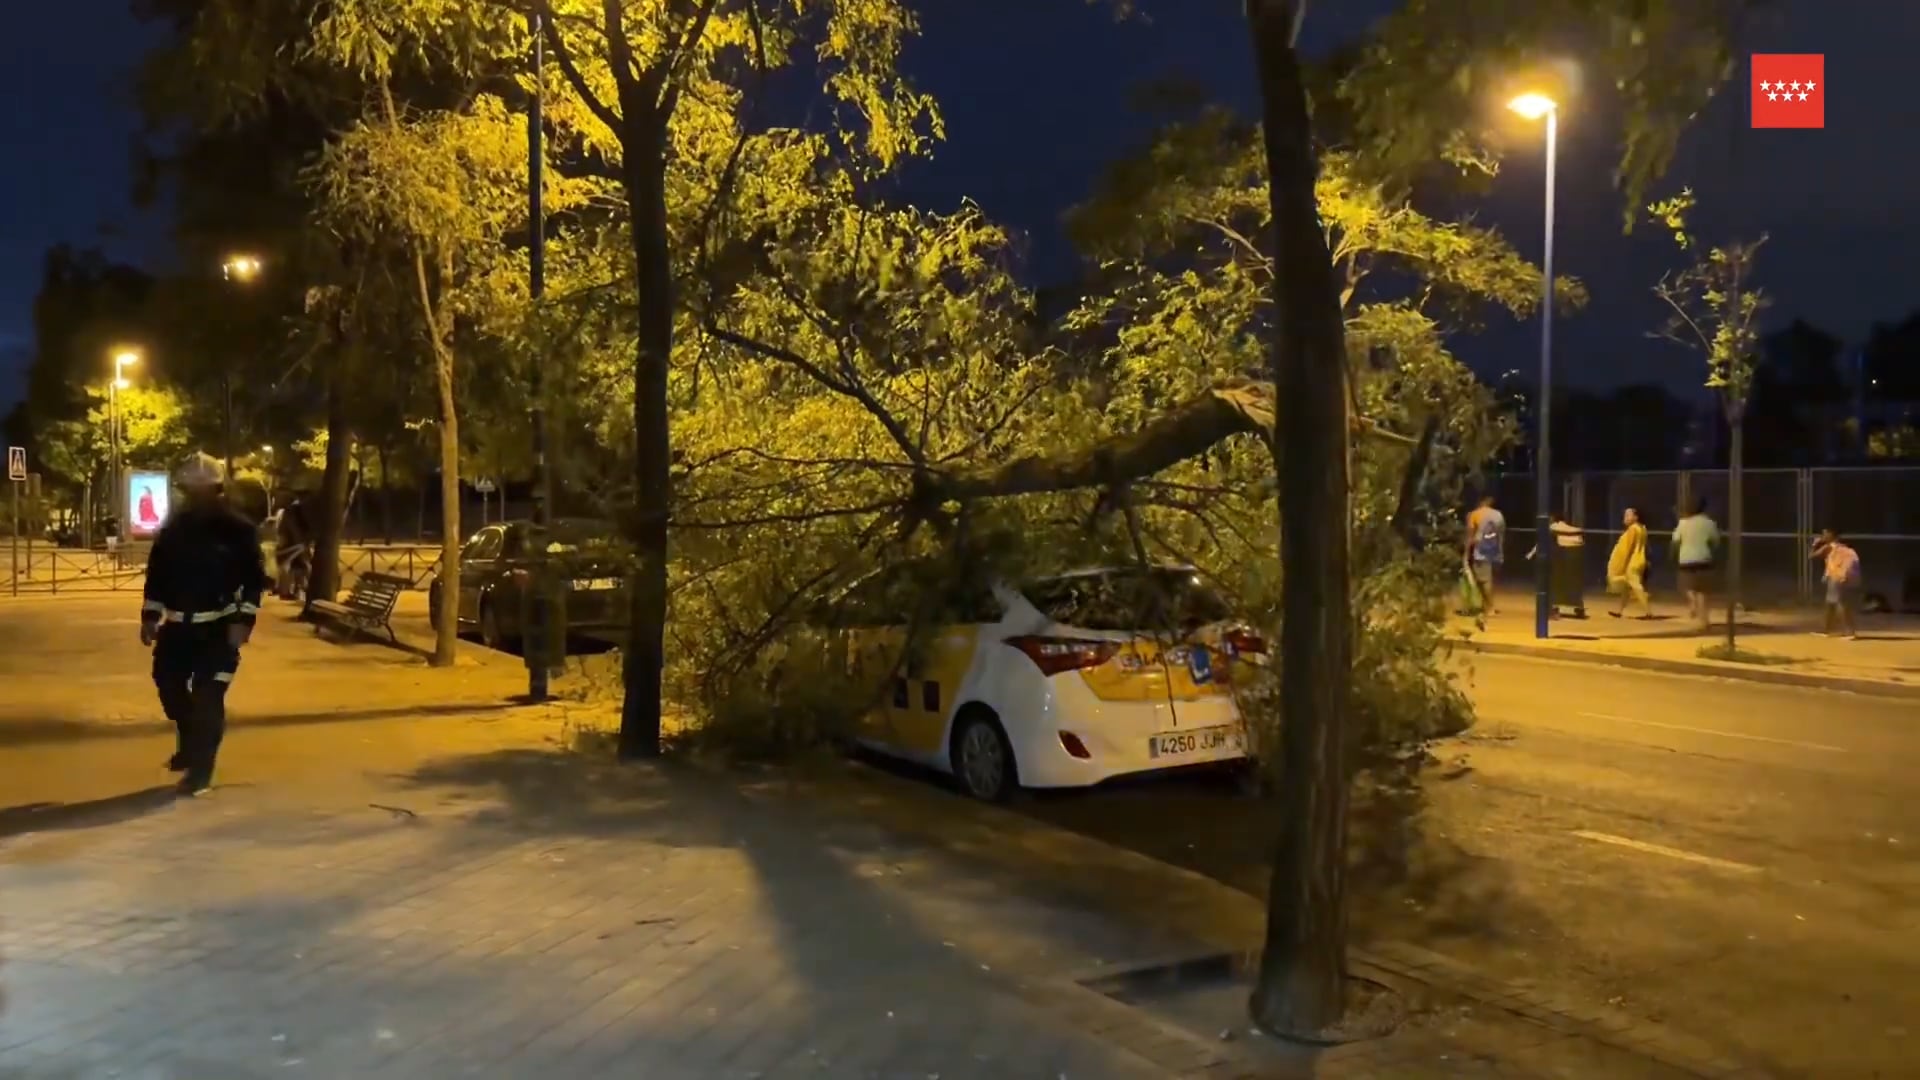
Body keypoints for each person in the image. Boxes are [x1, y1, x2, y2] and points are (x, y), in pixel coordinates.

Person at [139, 453, 267, 796]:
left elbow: (254, 579)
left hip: (218, 629)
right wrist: (151, 616)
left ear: (218, 489)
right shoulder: (173, 530)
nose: (196, 497)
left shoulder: (238, 530)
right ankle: (190, 741)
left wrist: (244, 620)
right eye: (190, 490)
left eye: (203, 490)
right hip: (178, 629)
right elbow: (158, 576)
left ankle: (201, 769)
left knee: (209, 696)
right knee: (170, 688)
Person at [1672, 496, 1721, 631]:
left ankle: (1692, 601)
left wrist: (1673, 554)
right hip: (1704, 558)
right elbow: (1715, 541)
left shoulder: (1683, 523)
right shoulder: (1709, 523)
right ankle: (1704, 621)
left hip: (1686, 558)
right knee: (1703, 591)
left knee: (1686, 586)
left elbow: (1676, 541)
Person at [1527, 512, 1588, 618]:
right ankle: (1577, 607)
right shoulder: (1571, 530)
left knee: (1554, 585)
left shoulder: (1553, 527)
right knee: (1572, 586)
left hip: (1559, 562)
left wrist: (1531, 554)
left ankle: (1553, 609)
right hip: (1572, 561)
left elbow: (1541, 543)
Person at [1811, 528, 1862, 640]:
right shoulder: (1835, 547)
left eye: (1825, 533)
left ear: (1831, 535)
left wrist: (1815, 544)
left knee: (1841, 604)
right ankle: (1826, 630)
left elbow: (1812, 555)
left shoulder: (1832, 547)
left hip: (1839, 577)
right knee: (1830, 604)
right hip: (1835, 577)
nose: (1823, 536)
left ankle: (1850, 632)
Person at [1463, 494, 1506, 625]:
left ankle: (1489, 607)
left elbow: (1470, 534)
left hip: (1481, 550)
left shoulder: (1474, 515)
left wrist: (1465, 553)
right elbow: (1502, 534)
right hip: (1495, 550)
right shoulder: (1498, 515)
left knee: (1483, 580)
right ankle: (1487, 605)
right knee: (1490, 578)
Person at [1606, 506, 1651, 618]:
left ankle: (1648, 612)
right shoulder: (1642, 528)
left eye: (1628, 515)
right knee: (1626, 588)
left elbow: (1629, 548)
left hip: (1633, 562)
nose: (1625, 517)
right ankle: (1619, 611)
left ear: (1636, 517)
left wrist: (1622, 563)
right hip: (1640, 560)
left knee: (1636, 586)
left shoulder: (1633, 529)